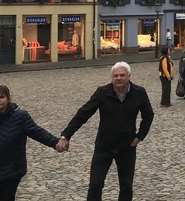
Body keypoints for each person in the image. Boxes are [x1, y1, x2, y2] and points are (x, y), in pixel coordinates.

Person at [59, 62, 154, 201]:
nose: (119, 78)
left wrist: (140, 137)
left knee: (126, 186)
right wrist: (66, 135)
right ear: (111, 77)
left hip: (127, 147)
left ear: (129, 76)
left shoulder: (139, 93)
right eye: (115, 76)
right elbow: (83, 114)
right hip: (104, 146)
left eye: (122, 75)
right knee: (95, 185)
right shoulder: (102, 92)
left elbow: (148, 115)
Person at [0, 85, 66, 200]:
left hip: (10, 170)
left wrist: (55, 142)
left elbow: (37, 132)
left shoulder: (20, 117)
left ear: (8, 98)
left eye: (1, 97)